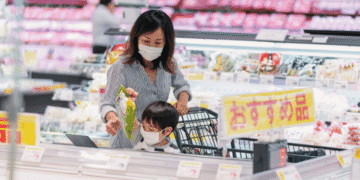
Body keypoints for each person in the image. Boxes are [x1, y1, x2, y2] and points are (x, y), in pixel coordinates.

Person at [100, 10, 192, 149]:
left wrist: (182, 101)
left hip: (157, 142)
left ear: (166, 42)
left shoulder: (168, 63)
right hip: (127, 144)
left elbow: (182, 86)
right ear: (136, 38)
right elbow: (108, 104)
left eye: (158, 43)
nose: (151, 47)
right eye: (146, 41)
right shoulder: (121, 67)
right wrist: (113, 119)